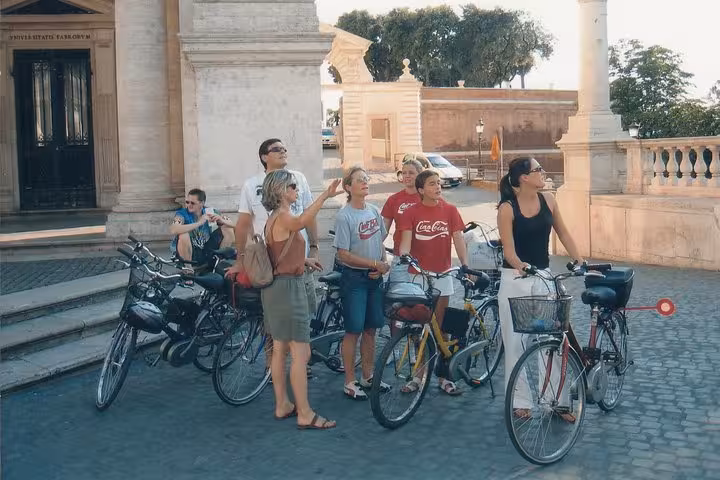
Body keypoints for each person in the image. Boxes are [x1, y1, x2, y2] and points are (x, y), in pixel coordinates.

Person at [496, 157, 584, 422]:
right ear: (523, 177)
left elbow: (564, 233)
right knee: (516, 344)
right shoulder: (507, 208)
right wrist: (522, 266)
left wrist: (579, 260)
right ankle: (519, 401)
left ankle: (556, 401)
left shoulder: (549, 199)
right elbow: (508, 250)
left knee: (553, 342)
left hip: (544, 276)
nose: (543, 173)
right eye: (538, 170)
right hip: (515, 278)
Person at [225, 139, 320, 375]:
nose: (283, 151)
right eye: (277, 149)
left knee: (304, 314)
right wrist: (240, 260)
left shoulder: (299, 178)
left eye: (285, 148)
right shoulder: (251, 184)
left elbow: (308, 214)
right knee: (271, 322)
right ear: (264, 157)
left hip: (299, 260)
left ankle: (299, 363)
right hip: (268, 263)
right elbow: (243, 224)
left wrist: (315, 246)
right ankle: (272, 366)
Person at [260, 170, 343, 429]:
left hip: (276, 289)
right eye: (293, 186)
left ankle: (282, 403)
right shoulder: (285, 216)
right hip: (288, 290)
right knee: (301, 352)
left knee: (280, 349)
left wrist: (303, 260)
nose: (296, 190)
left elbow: (279, 252)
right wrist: (325, 196)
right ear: (282, 190)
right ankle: (305, 413)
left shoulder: (273, 218)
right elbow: (303, 221)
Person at [397, 170, 469, 396]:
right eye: (431, 184)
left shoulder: (450, 210)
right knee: (419, 327)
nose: (437, 187)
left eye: (438, 183)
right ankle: (418, 376)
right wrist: (405, 255)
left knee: (441, 326)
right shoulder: (411, 212)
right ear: (420, 190)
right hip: (418, 275)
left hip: (443, 273)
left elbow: (458, 238)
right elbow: (406, 242)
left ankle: (443, 376)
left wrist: (465, 265)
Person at [334, 166, 391, 400]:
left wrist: (382, 263)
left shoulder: (374, 211)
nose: (365, 183)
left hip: (374, 279)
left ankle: (368, 376)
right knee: (353, 330)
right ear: (348, 187)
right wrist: (372, 263)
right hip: (354, 279)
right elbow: (342, 254)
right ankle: (349, 380)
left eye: (366, 179)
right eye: (360, 180)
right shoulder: (344, 215)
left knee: (371, 329)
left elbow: (381, 241)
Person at [170, 188, 235, 269]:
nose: (189, 205)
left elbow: (235, 225)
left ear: (202, 203)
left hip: (206, 249)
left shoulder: (209, 212)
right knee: (183, 234)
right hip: (190, 252)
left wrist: (221, 220)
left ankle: (218, 262)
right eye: (187, 202)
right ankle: (188, 268)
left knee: (228, 228)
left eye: (192, 203)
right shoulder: (182, 213)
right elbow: (174, 229)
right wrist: (199, 223)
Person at [381, 159, 423, 255]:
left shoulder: (428, 198)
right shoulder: (393, 199)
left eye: (411, 173)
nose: (407, 176)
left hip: (425, 255)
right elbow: (384, 229)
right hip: (401, 255)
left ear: (420, 175)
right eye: (404, 173)